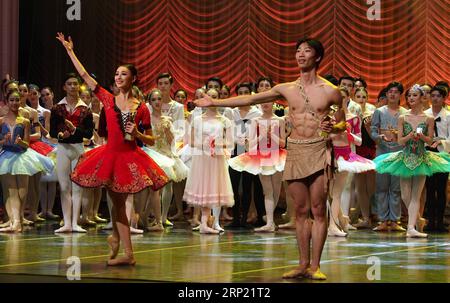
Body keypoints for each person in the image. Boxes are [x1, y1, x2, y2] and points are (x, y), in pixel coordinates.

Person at [195, 37, 344, 280]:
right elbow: (251, 99)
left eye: (306, 51)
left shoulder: (331, 91)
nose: (300, 55)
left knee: (318, 209)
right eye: (298, 51)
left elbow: (342, 123)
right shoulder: (286, 89)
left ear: (317, 57)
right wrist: (215, 102)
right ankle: (302, 263)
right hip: (296, 150)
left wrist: (333, 126)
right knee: (301, 210)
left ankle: (315, 265)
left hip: (318, 150)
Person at [56, 32, 169, 265]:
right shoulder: (107, 99)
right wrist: (70, 51)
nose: (118, 77)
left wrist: (137, 134)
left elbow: (151, 140)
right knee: (117, 204)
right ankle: (118, 241)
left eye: (124, 74)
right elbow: (85, 75)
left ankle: (126, 252)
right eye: (116, 73)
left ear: (134, 79)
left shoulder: (142, 108)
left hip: (129, 158)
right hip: (109, 156)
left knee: (119, 204)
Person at [374, 84, 450, 238]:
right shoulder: (403, 117)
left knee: (416, 195)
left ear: (422, 98)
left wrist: (421, 137)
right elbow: (400, 141)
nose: (411, 98)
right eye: (409, 96)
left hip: (422, 158)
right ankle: (417, 220)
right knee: (405, 195)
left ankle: (411, 228)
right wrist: (410, 136)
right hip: (405, 158)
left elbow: (429, 142)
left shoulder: (428, 118)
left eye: (414, 95)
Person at [0, 89, 54, 232]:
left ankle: (17, 221)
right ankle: (14, 222)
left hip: (22, 156)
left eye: (17, 100)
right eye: (11, 100)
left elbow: (26, 142)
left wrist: (20, 142)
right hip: (6, 156)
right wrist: (3, 141)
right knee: (11, 191)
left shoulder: (24, 121)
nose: (14, 103)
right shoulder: (1, 121)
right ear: (7, 102)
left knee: (21, 191)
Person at [183, 88, 234, 234]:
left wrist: (217, 143)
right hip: (202, 158)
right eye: (209, 96)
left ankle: (208, 223)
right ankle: (204, 223)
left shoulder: (225, 120)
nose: (211, 99)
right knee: (204, 189)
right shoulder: (197, 119)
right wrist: (204, 143)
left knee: (213, 189)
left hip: (216, 158)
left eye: (215, 96)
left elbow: (231, 143)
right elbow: (191, 141)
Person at [370, 82, 408, 232]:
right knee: (381, 186)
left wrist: (402, 136)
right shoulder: (379, 111)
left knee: (396, 187)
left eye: (396, 92)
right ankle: (383, 219)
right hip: (382, 151)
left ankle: (395, 220)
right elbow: (372, 131)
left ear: (400, 95)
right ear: (386, 94)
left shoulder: (405, 113)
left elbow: (408, 132)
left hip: (399, 152)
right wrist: (379, 137)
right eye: (390, 92)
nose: (392, 94)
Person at [423, 85, 450, 232]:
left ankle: (440, 221)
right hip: (427, 153)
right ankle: (430, 221)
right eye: (432, 95)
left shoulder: (448, 116)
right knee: (429, 188)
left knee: (441, 189)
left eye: (438, 96)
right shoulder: (424, 114)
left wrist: (442, 141)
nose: (434, 98)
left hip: (442, 154)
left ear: (444, 98)